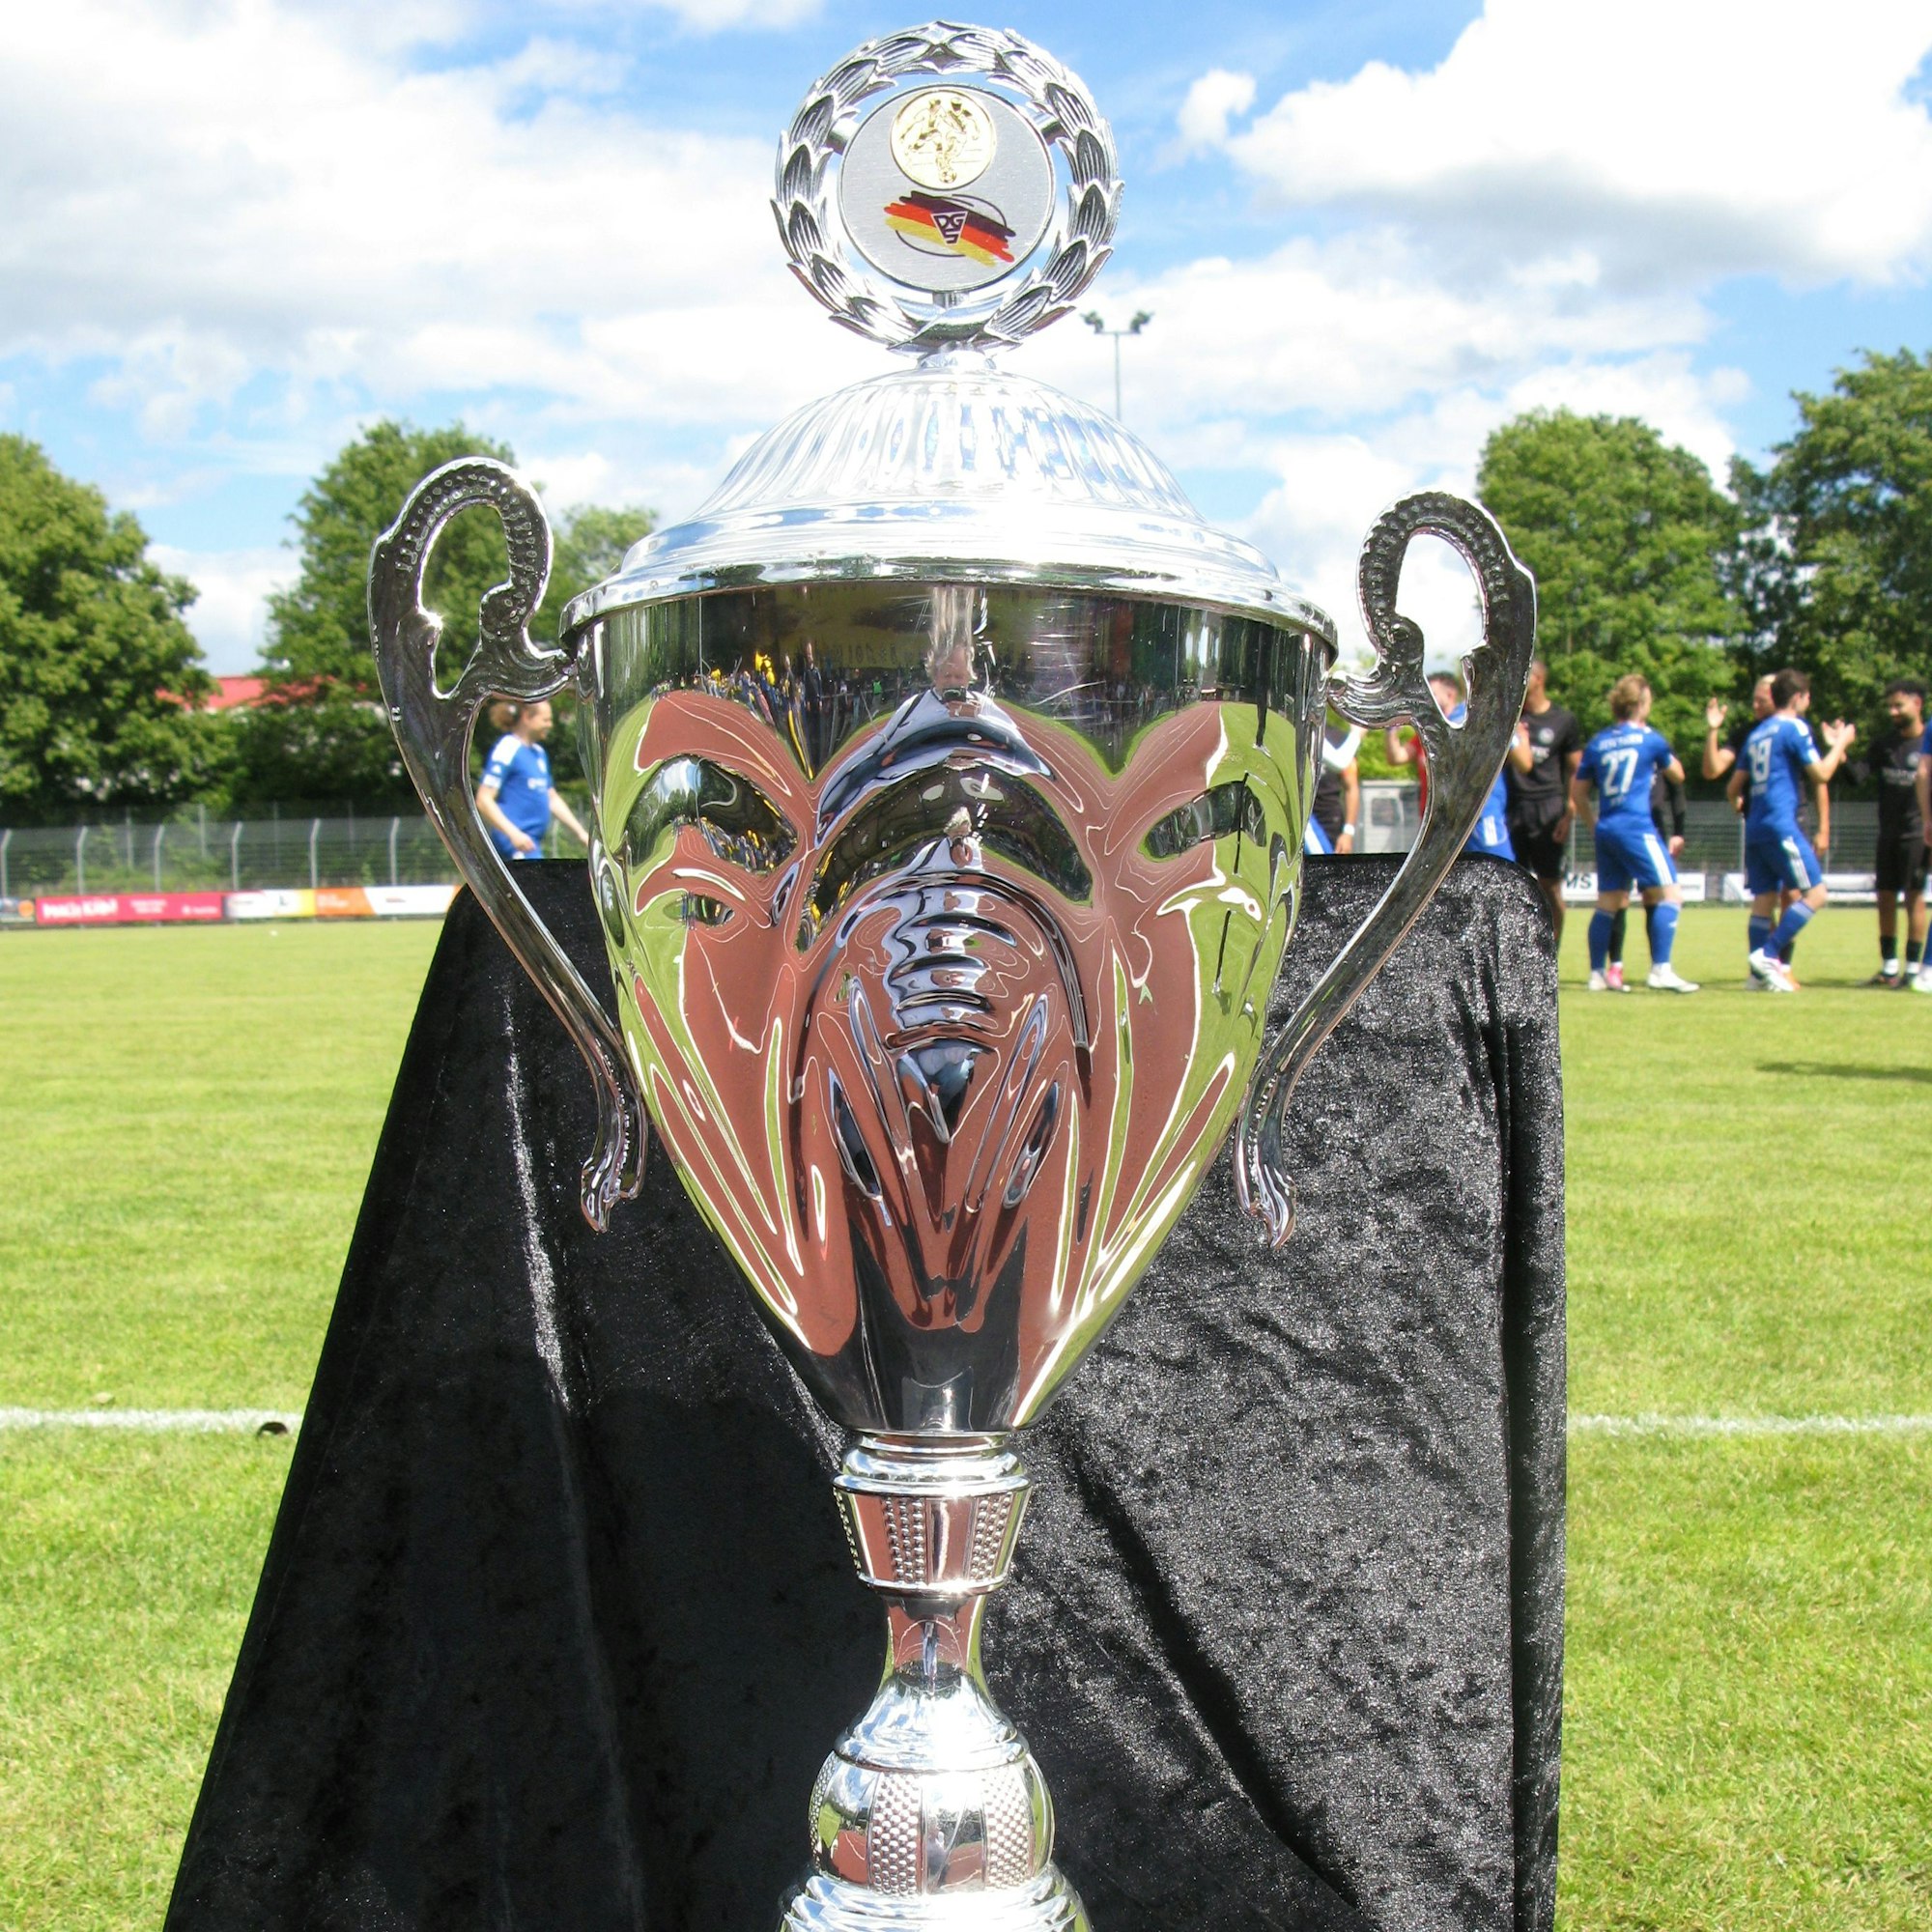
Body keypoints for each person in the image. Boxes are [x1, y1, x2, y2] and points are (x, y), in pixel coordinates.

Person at [1727, 668, 1855, 991]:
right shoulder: (1794, 727)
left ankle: (1756, 977)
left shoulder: (1757, 733)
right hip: (1781, 823)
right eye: (1808, 696)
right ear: (1797, 697)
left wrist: (1741, 805)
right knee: (1816, 893)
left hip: (1755, 826)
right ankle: (1770, 956)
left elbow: (1732, 788)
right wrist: (1840, 743)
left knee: (1763, 901)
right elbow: (1822, 774)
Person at [1571, 674, 1698, 993]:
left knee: (1609, 902)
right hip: (1637, 826)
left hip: (1608, 827)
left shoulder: (1598, 742)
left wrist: (1593, 824)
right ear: (1641, 704)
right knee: (1671, 894)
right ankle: (1661, 969)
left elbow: (1577, 792)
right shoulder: (1650, 739)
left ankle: (1597, 974)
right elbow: (1678, 774)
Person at [1384, 670, 1517, 860]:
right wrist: (1391, 729)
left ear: (1450, 694)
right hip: (1440, 822)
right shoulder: (1430, 729)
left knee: (1499, 869)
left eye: (1431, 693)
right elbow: (1397, 757)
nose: (1423, 699)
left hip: (1477, 816)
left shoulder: (1469, 719)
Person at [1505, 660, 1581, 942]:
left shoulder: (1563, 720)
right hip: (1513, 809)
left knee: (1550, 886)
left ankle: (1553, 952)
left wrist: (1569, 811)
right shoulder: (1511, 718)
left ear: (1537, 679)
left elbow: (1576, 768)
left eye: (1524, 677)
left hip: (1548, 808)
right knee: (1513, 884)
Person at [1605, 759, 1690, 991]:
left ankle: (1658, 965)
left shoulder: (1657, 751)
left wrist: (1678, 831)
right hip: (1625, 826)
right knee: (1618, 897)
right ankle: (1616, 967)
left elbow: (1677, 788)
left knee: (1654, 896)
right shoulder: (1630, 749)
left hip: (1653, 828)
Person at [476, 698, 590, 863]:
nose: (550, 725)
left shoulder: (538, 754)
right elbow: (484, 799)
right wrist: (513, 834)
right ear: (527, 717)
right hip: (515, 845)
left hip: (530, 844)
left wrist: (581, 834)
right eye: (546, 720)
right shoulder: (508, 748)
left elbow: (552, 798)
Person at [1869, 680, 1928, 987]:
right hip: (1887, 833)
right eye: (1890, 706)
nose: (1893, 711)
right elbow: (1858, 774)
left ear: (1917, 704)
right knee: (1885, 898)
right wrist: (1839, 752)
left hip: (1917, 834)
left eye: (1898, 705)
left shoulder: (1927, 744)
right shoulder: (1884, 745)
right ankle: (1888, 968)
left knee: (1914, 899)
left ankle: (1913, 968)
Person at [1306, 721, 1362, 855]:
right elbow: (1340, 761)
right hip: (1304, 821)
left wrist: (1348, 831)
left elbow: (1351, 786)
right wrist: (1358, 733)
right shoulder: (1298, 729)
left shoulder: (1337, 738)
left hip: (1330, 820)